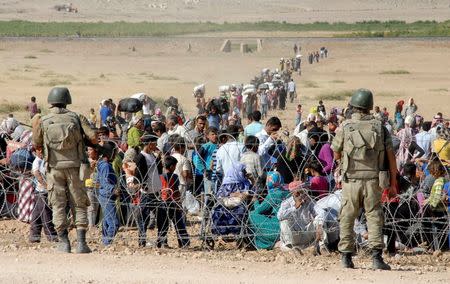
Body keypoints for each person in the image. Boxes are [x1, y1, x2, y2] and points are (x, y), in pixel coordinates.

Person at [331, 89, 397, 270]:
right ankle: (376, 258)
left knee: (347, 216)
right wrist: (393, 183)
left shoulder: (345, 126)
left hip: (351, 180)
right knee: (374, 216)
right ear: (369, 107)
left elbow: (335, 152)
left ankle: (346, 257)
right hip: (373, 180)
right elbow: (391, 157)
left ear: (353, 107)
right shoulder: (380, 127)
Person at [32, 87, 97, 253]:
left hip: (54, 169)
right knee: (79, 204)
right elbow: (94, 138)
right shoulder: (76, 117)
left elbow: (37, 143)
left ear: (51, 101)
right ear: (67, 99)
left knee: (58, 205)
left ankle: (63, 243)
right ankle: (81, 244)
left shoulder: (43, 119)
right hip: (76, 168)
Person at [249, 171, 290, 250]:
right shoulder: (287, 192)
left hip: (276, 229)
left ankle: (268, 244)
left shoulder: (273, 194)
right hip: (289, 227)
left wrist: (255, 201)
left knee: (252, 215)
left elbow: (258, 210)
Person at [135, 134, 163, 247]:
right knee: (144, 219)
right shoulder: (141, 157)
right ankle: (142, 241)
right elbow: (138, 175)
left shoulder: (152, 156)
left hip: (156, 192)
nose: (156, 145)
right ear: (149, 143)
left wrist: (159, 157)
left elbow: (159, 171)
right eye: (154, 143)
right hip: (147, 193)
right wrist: (142, 184)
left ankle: (161, 241)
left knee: (161, 217)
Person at [157, 156, 190, 248]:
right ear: (172, 166)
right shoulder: (174, 176)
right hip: (172, 202)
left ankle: (162, 242)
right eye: (175, 166)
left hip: (162, 202)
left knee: (163, 224)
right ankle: (184, 242)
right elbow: (176, 191)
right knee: (179, 223)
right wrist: (179, 203)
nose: (175, 168)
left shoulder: (160, 176)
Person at [29, 147, 58, 243]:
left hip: (41, 192)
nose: (41, 152)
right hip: (42, 191)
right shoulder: (37, 162)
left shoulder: (43, 161)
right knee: (46, 213)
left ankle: (34, 235)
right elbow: (36, 173)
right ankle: (51, 235)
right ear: (36, 151)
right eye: (39, 150)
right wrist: (46, 186)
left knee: (36, 214)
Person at [96, 141, 119, 245]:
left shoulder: (102, 164)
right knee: (114, 223)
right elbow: (105, 182)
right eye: (114, 152)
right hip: (107, 196)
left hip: (105, 195)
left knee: (106, 221)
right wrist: (113, 189)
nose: (116, 155)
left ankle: (105, 242)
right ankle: (107, 243)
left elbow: (98, 180)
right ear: (109, 153)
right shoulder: (105, 166)